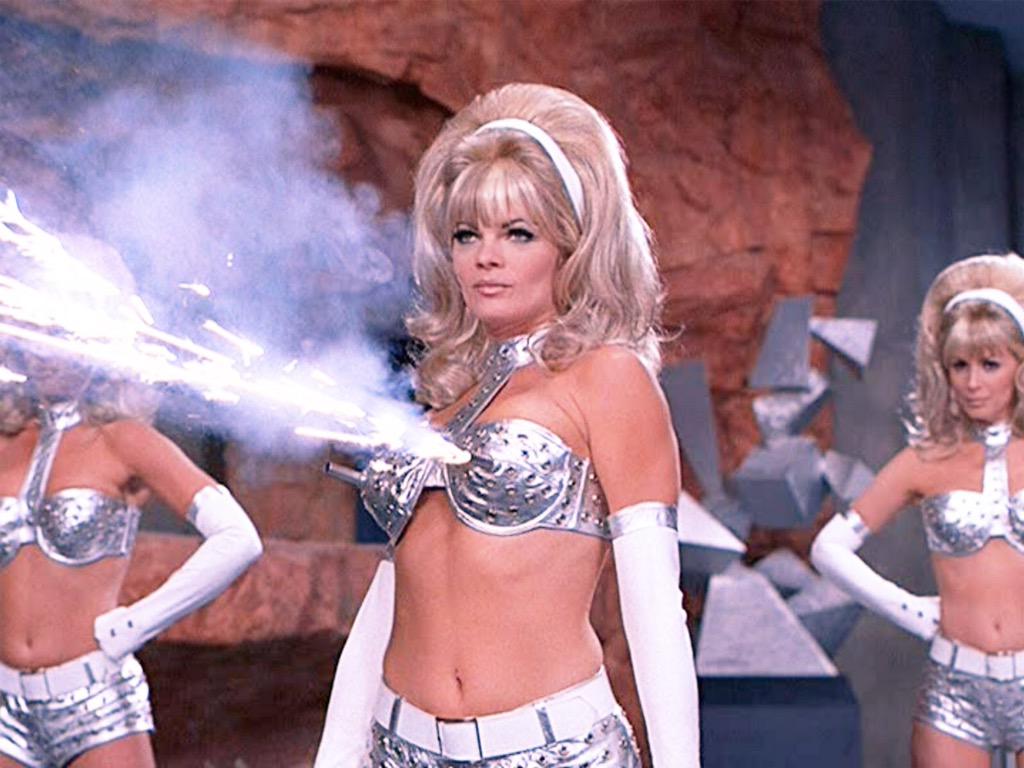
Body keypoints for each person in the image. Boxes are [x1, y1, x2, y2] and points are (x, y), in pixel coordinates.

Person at [313, 82, 700, 768]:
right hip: (398, 747)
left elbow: (654, 614)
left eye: (518, 233)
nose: (485, 256)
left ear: (570, 246)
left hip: (551, 751)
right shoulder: (449, 401)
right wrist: (334, 758)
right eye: (467, 234)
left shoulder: (608, 378)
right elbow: (392, 600)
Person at [0, 236, 263, 768]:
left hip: (96, 702)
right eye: (36, 332)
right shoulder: (5, 440)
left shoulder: (124, 439)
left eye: (64, 333)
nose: (45, 352)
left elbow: (238, 538)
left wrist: (139, 623)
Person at [811, 253, 1024, 767]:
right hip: (954, 689)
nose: (972, 383)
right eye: (959, 366)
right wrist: (909, 609)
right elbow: (828, 549)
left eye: (990, 364)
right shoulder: (925, 460)